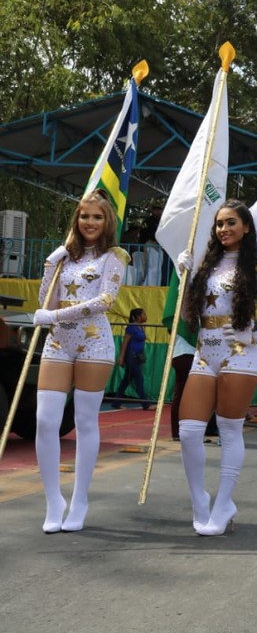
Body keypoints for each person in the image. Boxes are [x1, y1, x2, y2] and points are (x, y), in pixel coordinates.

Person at [172, 199, 257, 535]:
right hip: (204, 353)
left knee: (229, 430)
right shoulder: (205, 266)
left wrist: (255, 336)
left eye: (230, 223)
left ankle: (224, 504)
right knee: (188, 433)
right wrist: (184, 276)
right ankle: (200, 499)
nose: (223, 229)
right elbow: (187, 315)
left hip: (239, 356)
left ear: (245, 228)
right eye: (219, 224)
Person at [32, 192, 130, 533]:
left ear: (107, 223)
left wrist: (54, 314)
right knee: (45, 421)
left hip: (94, 343)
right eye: (84, 216)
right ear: (77, 220)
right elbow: (46, 300)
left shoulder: (116, 256)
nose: (89, 222)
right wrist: (49, 264)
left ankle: (80, 499)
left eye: (97, 217)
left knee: (86, 421)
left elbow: (106, 301)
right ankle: (53, 500)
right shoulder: (65, 258)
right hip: (59, 342)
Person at [112, 307, 152, 410]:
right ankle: (145, 404)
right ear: (138, 317)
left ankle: (116, 402)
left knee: (126, 380)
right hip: (131, 356)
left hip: (137, 357)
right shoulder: (131, 327)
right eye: (143, 314)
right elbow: (125, 343)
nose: (145, 316)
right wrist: (121, 357)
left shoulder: (140, 327)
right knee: (139, 379)